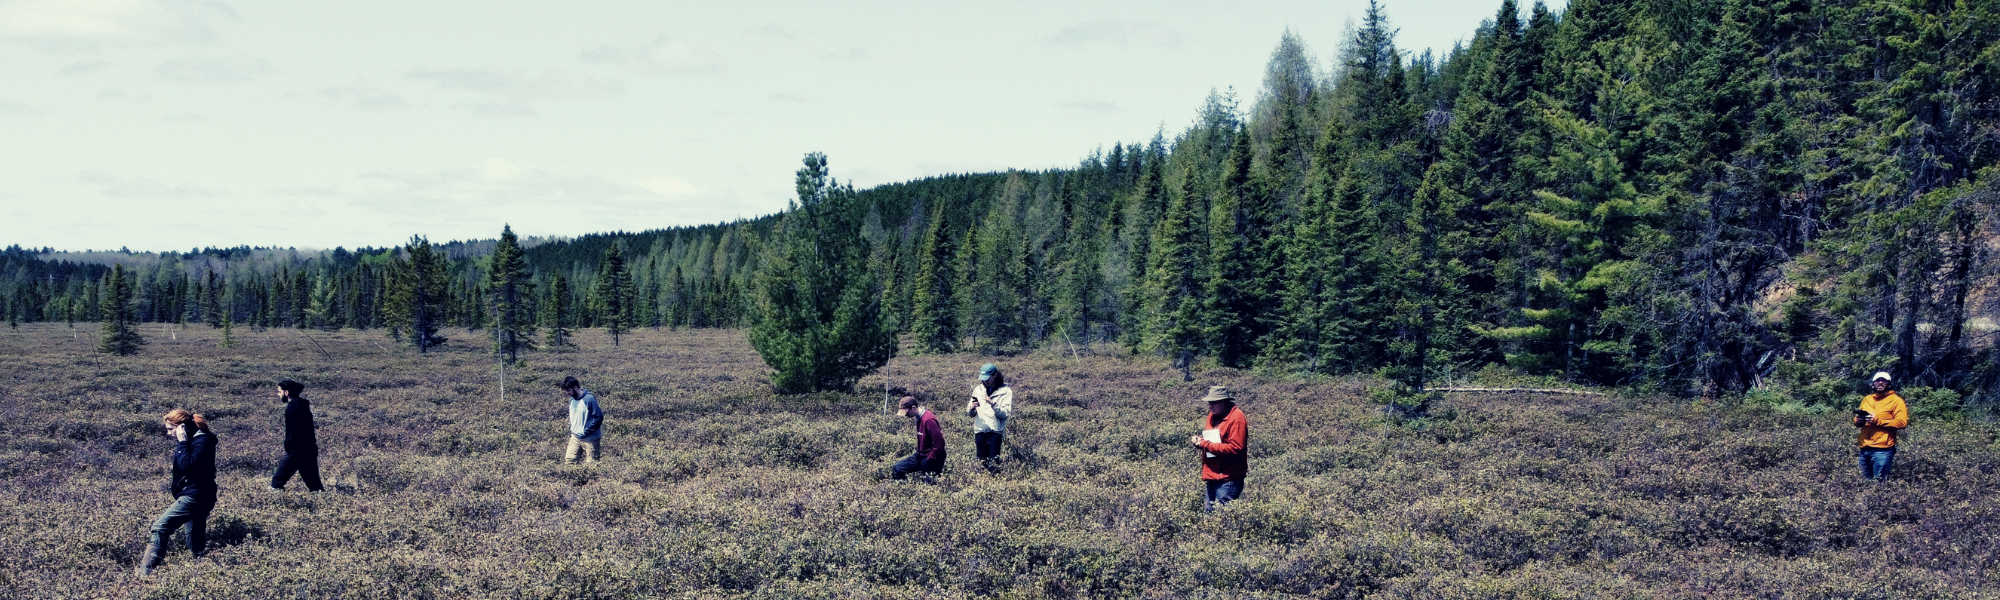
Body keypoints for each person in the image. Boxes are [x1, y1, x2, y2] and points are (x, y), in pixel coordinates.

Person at [137, 409, 218, 577]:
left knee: (160, 527)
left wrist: (182, 442)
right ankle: (204, 574)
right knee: (195, 541)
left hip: (196, 496)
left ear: (182, 427)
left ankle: (144, 573)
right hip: (200, 495)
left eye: (170, 429)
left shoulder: (202, 441)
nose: (169, 433)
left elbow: (188, 466)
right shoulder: (196, 440)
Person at [1187, 385, 1247, 512]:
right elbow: (1212, 440)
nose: (1210, 406)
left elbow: (1236, 448)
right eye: (1209, 403)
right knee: (1210, 517)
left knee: (1223, 520)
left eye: (1214, 403)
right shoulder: (1212, 415)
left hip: (1228, 479)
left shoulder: (1237, 418)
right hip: (1213, 475)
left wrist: (1205, 444)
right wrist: (1200, 443)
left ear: (1225, 402)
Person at [268, 379, 322, 492]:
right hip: (309, 450)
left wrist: (288, 445)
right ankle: (324, 503)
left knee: (276, 483)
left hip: (297, 451)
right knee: (315, 486)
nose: (278, 395)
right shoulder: (302, 405)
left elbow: (295, 431)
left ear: (286, 392)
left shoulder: (293, 407)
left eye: (279, 392)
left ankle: (276, 505)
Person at [1855, 371, 1909, 481]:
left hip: (1882, 450)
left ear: (1889, 384)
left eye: (1883, 381)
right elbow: (1857, 420)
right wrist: (1859, 420)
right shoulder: (1867, 399)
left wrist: (1878, 421)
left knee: (1879, 483)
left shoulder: (1896, 401)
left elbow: (1902, 422)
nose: (1880, 383)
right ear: (1873, 383)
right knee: (1863, 482)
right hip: (1864, 447)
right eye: (1877, 380)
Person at [963, 363, 1013, 474]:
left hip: (995, 432)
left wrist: (993, 404)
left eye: (987, 378)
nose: (985, 381)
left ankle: (995, 486)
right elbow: (970, 413)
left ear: (995, 375)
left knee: (994, 464)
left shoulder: (1006, 391)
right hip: (980, 430)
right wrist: (972, 408)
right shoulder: (978, 389)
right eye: (983, 379)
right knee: (981, 464)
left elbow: (1004, 414)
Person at [891, 396, 946, 481]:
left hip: (931, 459)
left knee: (928, 486)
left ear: (913, 408)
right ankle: (905, 491)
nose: (906, 415)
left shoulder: (928, 419)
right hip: (921, 455)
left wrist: (929, 458)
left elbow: (939, 444)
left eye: (906, 412)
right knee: (897, 469)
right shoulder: (919, 417)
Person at [561, 376, 604, 465]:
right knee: (569, 461)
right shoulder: (572, 400)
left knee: (592, 465)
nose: (567, 393)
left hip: (590, 438)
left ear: (575, 387)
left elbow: (598, 417)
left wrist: (586, 431)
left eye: (569, 390)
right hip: (575, 437)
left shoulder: (589, 399)